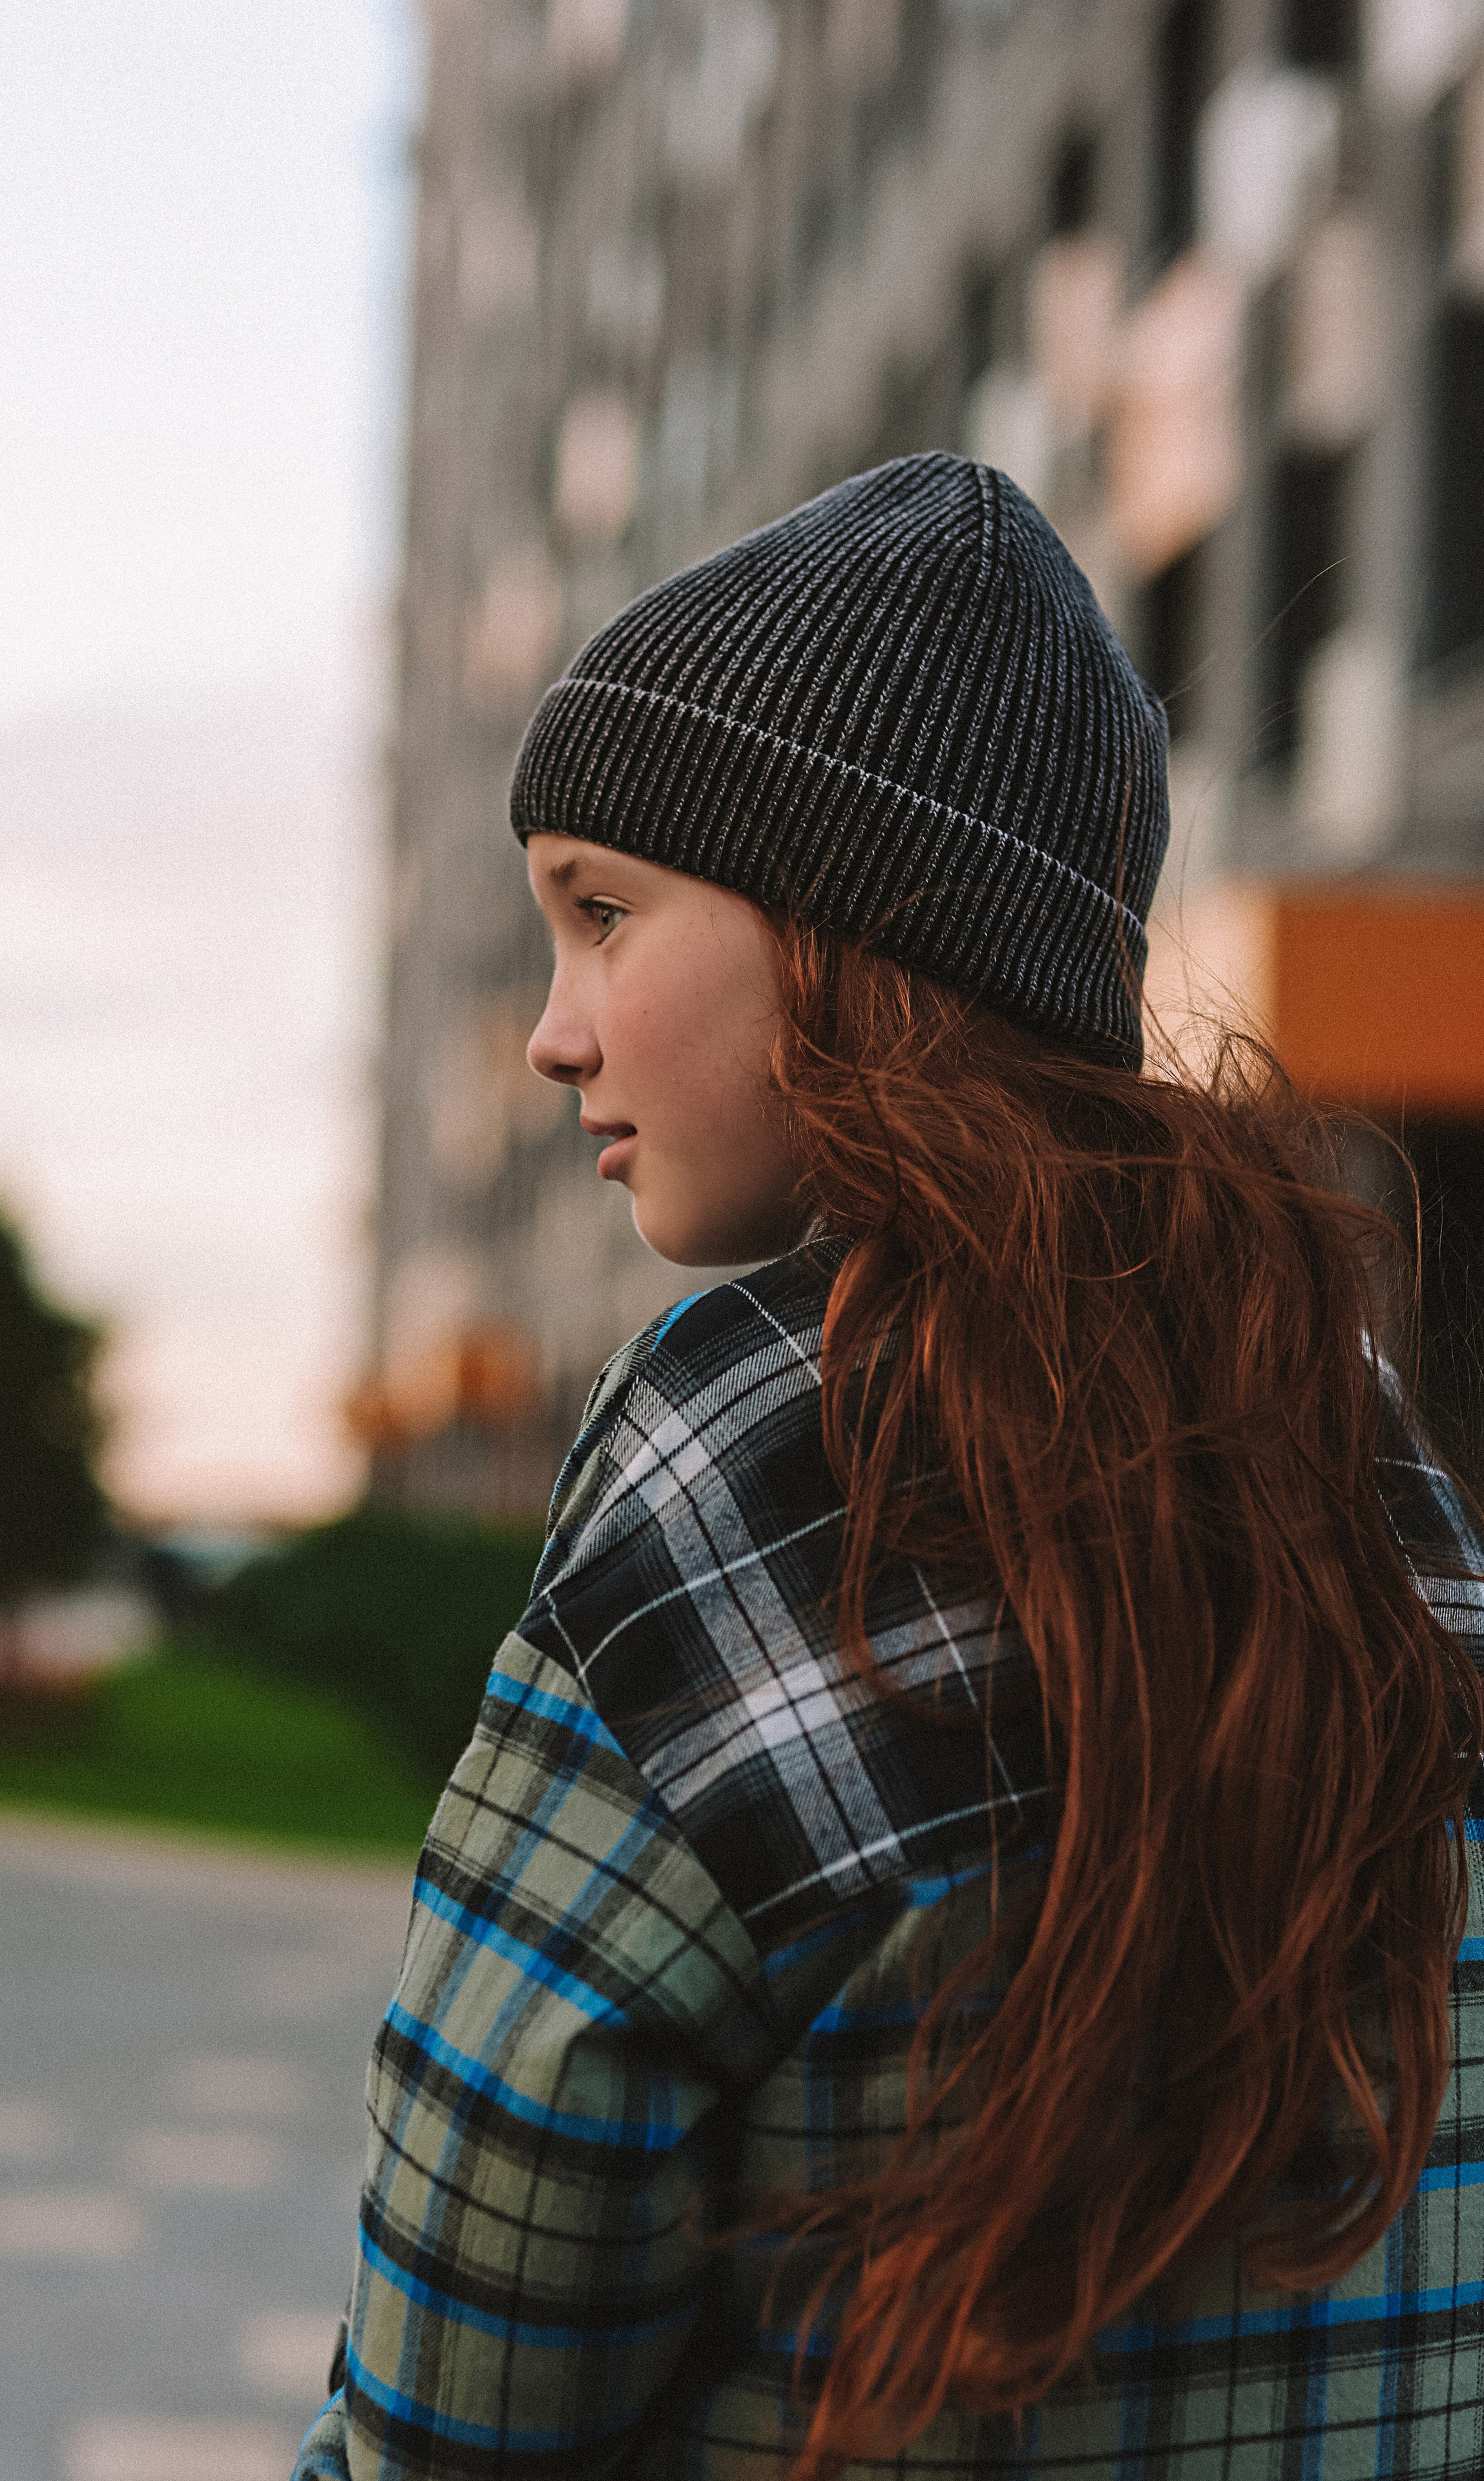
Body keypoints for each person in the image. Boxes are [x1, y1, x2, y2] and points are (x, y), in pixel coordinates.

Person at [296, 456, 1484, 2480]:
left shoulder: (756, 1441)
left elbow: (474, 2348)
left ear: (845, 930)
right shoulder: (1357, 1461)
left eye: (603, 914)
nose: (551, 1037)